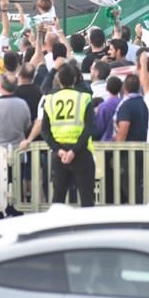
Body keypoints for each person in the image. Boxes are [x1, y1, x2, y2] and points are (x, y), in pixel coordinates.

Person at [41, 64, 95, 207]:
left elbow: (45, 130)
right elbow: (89, 128)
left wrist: (58, 150)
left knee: (58, 199)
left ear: (58, 80)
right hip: (81, 151)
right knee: (87, 200)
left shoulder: (50, 98)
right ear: (75, 78)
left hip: (59, 153)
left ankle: (57, 228)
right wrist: (73, 151)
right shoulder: (84, 97)